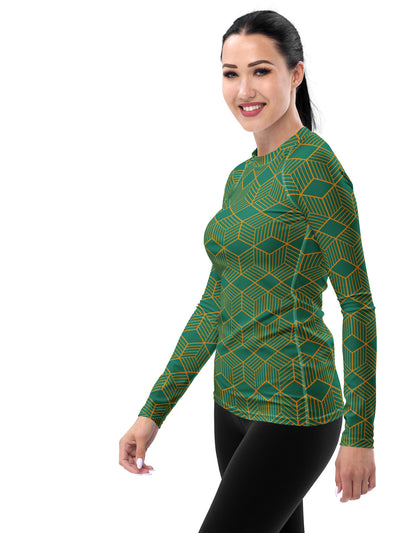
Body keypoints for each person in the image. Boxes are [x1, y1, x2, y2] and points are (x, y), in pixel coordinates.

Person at [119, 9, 377, 533]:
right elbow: (214, 306)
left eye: (260, 71)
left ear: (295, 74)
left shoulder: (315, 167)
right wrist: (153, 411)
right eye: (230, 73)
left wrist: (361, 434)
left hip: (295, 408)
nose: (244, 90)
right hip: (230, 403)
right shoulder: (239, 178)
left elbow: (357, 304)